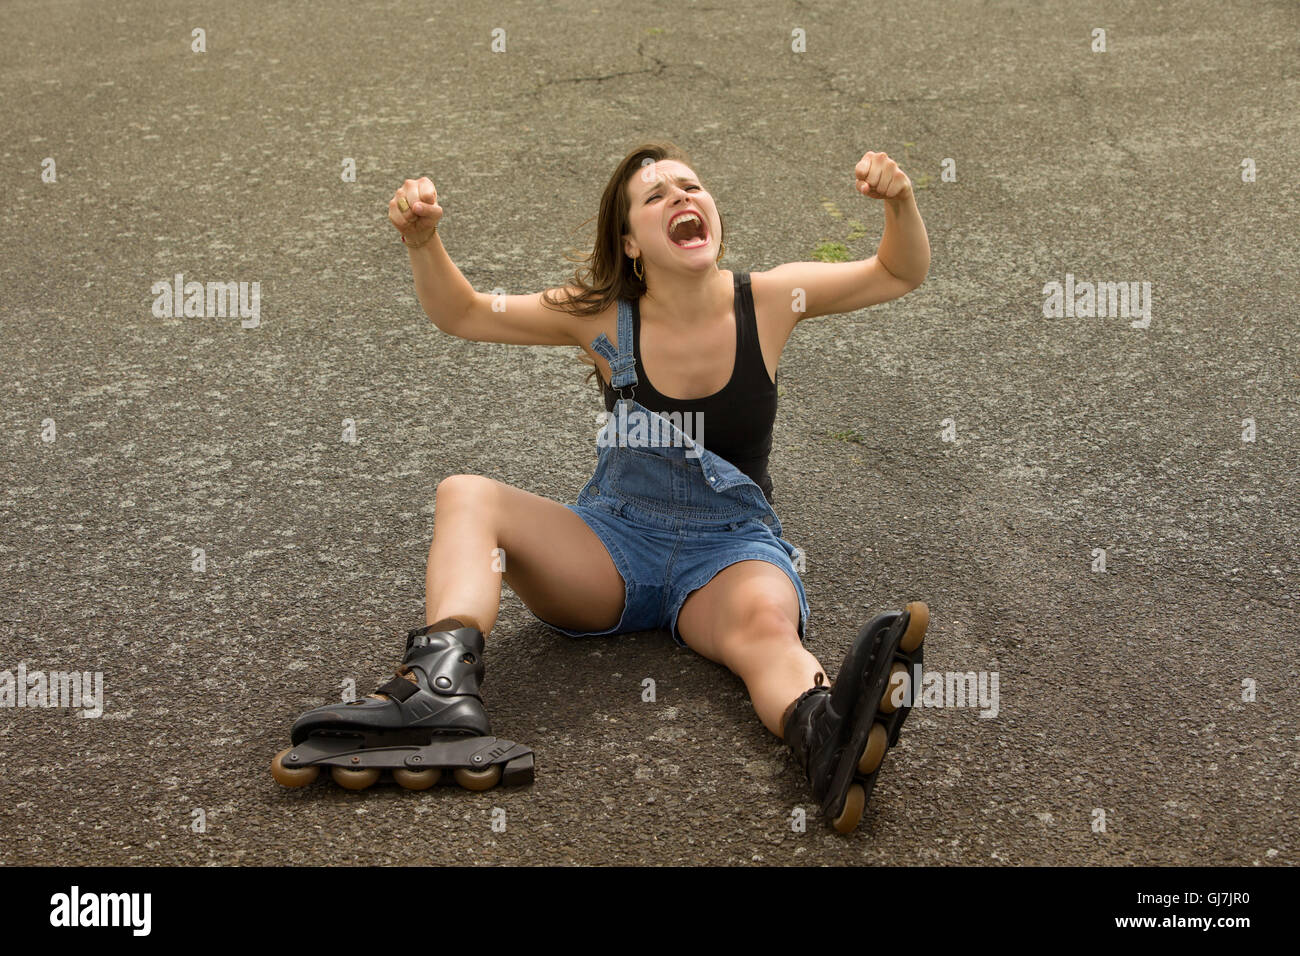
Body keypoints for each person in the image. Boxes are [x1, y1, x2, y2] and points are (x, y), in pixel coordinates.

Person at [273, 142, 931, 833]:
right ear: (631, 243)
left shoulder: (767, 300)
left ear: (713, 214)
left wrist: (900, 200)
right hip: (613, 547)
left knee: (767, 627)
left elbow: (898, 270)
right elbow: (464, 313)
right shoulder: (599, 315)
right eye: (656, 197)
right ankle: (438, 689)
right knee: (467, 493)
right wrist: (423, 241)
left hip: (729, 554)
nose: (681, 198)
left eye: (691, 186)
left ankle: (825, 735)